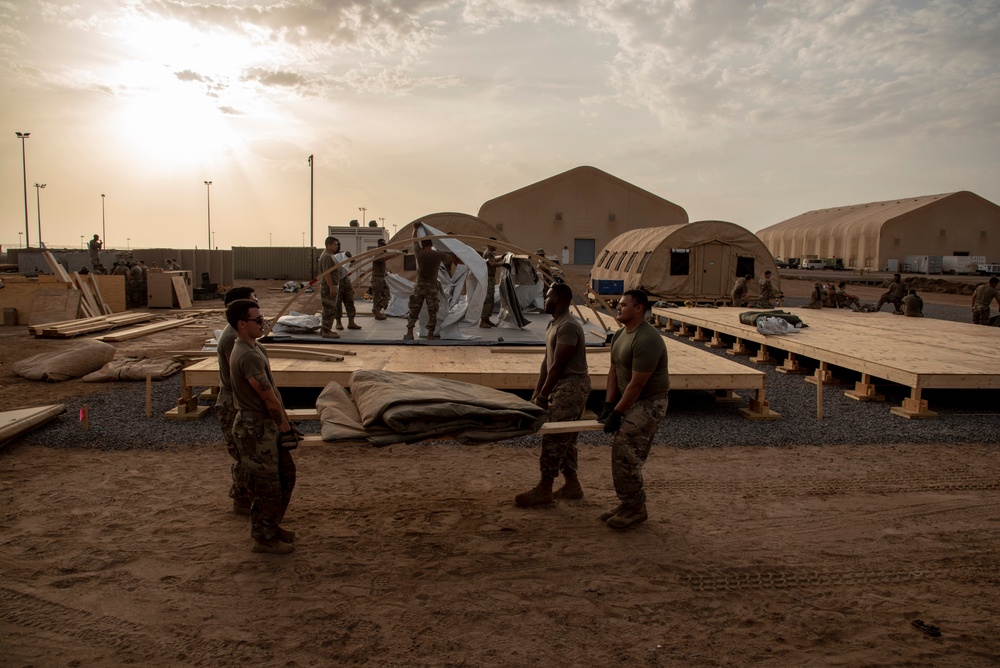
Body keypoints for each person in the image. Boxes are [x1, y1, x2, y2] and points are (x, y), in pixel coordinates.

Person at [227, 298, 299, 554]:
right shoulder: (246, 355)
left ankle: (271, 526)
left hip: (265, 425)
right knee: (266, 485)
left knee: (285, 476)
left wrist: (285, 421)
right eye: (257, 320)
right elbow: (266, 397)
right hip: (255, 429)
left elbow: (273, 390)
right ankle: (263, 537)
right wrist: (284, 429)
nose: (263, 323)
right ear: (241, 324)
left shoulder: (255, 347)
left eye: (262, 318)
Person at [597, 290, 669, 530]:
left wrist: (618, 414)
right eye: (618, 304)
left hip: (649, 403)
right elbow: (613, 372)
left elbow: (637, 384)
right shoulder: (619, 335)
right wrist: (609, 405)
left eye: (623, 305)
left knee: (626, 454)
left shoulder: (647, 339)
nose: (618, 308)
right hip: (631, 399)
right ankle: (628, 503)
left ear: (639, 309)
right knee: (620, 453)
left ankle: (635, 509)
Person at [514, 283, 591, 507]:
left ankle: (544, 490)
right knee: (566, 436)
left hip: (571, 387)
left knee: (555, 437)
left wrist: (543, 396)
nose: (544, 300)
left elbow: (558, 365)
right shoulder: (554, 323)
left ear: (557, 299)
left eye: (547, 297)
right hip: (561, 385)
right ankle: (572, 485)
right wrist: (538, 392)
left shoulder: (568, 326)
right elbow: (546, 363)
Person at [216, 287, 257, 516]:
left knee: (245, 454)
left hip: (235, 400)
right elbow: (239, 374)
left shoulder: (234, 331)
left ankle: (243, 499)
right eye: (252, 302)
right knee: (244, 455)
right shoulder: (233, 336)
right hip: (234, 403)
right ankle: (242, 501)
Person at [405, 222, 453, 341]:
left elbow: (414, 240)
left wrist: (415, 229)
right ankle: (430, 334)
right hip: (431, 287)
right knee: (432, 311)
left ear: (423, 243)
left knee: (414, 309)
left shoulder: (419, 253)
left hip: (419, 287)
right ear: (431, 244)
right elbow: (452, 259)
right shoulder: (438, 254)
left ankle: (410, 332)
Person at [317, 237, 340, 339]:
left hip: (330, 285)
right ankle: (326, 331)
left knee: (329, 308)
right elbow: (327, 274)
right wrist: (331, 288)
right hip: (328, 286)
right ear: (329, 245)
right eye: (335, 245)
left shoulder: (330, 255)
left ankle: (325, 329)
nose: (336, 247)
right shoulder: (326, 256)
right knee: (329, 309)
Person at [369, 239, 398, 320]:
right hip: (377, 278)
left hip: (380, 278)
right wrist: (395, 254)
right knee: (380, 296)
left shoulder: (380, 255)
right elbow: (384, 258)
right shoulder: (377, 255)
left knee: (383, 296)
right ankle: (377, 311)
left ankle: (377, 311)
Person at [334, 249, 361, 331]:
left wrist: (350, 257)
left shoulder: (343, 255)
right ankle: (338, 322)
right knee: (338, 302)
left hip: (346, 281)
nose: (337, 246)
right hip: (338, 281)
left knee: (350, 300)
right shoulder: (332, 257)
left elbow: (352, 263)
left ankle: (351, 322)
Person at [480, 240, 504, 328]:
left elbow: (494, 260)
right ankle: (483, 320)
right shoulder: (488, 253)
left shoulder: (490, 253)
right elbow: (492, 263)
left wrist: (502, 257)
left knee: (490, 299)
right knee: (488, 299)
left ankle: (487, 319)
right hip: (489, 278)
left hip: (490, 278)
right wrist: (503, 264)